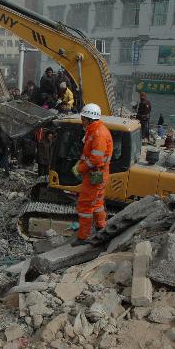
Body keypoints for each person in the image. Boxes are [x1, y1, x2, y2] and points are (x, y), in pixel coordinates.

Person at [71, 104, 113, 246]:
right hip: (97, 174)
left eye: (83, 118)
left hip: (95, 174)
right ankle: (101, 227)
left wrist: (80, 168)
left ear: (89, 118)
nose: (81, 121)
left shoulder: (98, 134)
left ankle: (83, 237)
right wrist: (80, 163)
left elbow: (96, 159)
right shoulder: (93, 130)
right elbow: (89, 154)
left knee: (85, 206)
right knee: (97, 204)